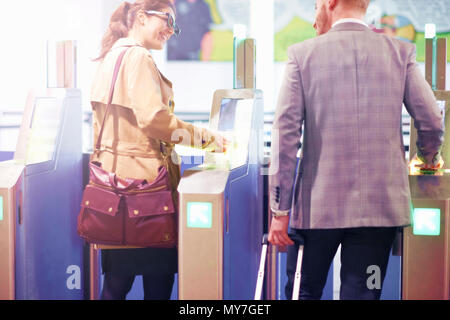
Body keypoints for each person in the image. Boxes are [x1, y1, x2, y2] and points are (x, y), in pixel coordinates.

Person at [268, 0, 444, 300]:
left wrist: (279, 209)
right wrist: (427, 158)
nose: (315, 16)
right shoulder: (400, 53)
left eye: (315, 6)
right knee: (364, 294)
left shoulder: (302, 55)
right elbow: (431, 120)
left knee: (303, 292)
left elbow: (286, 136)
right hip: (379, 210)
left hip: (315, 208)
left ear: (330, 3)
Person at [90, 0, 225, 300]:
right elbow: (154, 119)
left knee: (115, 286)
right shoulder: (138, 58)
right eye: (167, 19)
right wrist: (206, 138)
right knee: (158, 285)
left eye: (174, 25)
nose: (171, 30)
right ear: (141, 17)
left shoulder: (112, 56)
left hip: (115, 191)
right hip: (147, 194)